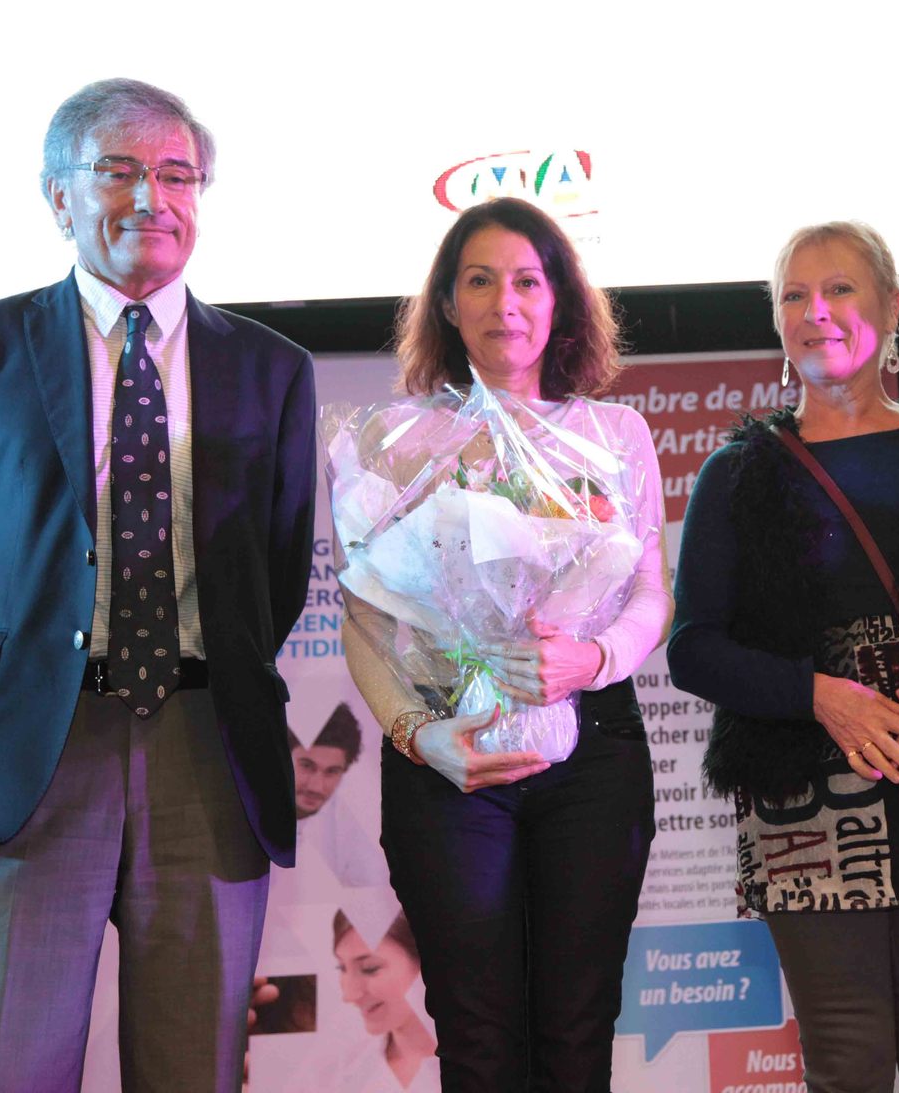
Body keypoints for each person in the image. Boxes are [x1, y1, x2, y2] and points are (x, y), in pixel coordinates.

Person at [0, 78, 317, 1091]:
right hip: (34, 749)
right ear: (59, 196)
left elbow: (275, 575)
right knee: (10, 1068)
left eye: (178, 174)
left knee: (194, 1070)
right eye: (119, 170)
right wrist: (37, 667)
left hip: (208, 747)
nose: (153, 198)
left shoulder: (271, 368)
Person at [668, 221, 899, 1091]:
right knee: (847, 1065)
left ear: (891, 305)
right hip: (803, 800)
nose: (817, 312)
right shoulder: (738, 472)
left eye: (839, 288)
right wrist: (819, 696)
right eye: (795, 296)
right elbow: (693, 651)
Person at [338, 196, 670, 1091]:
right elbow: (365, 618)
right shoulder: (392, 440)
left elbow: (650, 591)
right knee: (476, 1033)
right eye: (479, 281)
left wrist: (592, 659)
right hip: (450, 756)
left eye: (527, 281)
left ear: (560, 299)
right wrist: (419, 735)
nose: (504, 303)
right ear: (448, 303)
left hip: (591, 752)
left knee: (577, 1026)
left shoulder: (614, 435)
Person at [327, 909, 439, 1092]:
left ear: (426, 961)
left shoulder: (480, 1061)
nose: (349, 995)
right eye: (342, 967)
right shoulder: (340, 1073)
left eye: (369, 968)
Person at [287, 703, 391, 889]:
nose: (316, 786)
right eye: (307, 766)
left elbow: (370, 885)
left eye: (332, 771)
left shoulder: (350, 830)